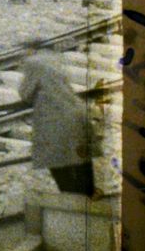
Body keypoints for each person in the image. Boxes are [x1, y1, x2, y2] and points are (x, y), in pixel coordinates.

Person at [18, 50, 96, 196]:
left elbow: (25, 94)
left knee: (60, 167)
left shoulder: (33, 63)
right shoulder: (55, 59)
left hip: (56, 120)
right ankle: (88, 208)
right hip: (77, 113)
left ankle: (71, 208)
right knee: (83, 168)